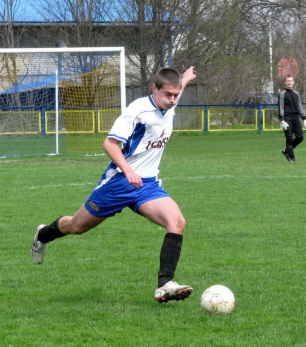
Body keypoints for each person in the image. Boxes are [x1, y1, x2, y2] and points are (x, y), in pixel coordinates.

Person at [32, 66, 197, 304]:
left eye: (176, 94)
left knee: (177, 222)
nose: (172, 100)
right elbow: (109, 144)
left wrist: (186, 79)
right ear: (154, 89)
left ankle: (165, 285)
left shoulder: (168, 104)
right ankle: (43, 235)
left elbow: (175, 92)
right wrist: (128, 171)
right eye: (168, 94)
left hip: (147, 185)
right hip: (119, 182)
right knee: (77, 226)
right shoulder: (137, 111)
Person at [278, 76, 306, 162]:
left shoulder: (296, 94)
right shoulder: (282, 93)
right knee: (289, 137)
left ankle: (286, 151)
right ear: (285, 82)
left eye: (290, 81)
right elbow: (281, 107)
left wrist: (304, 118)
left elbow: (299, 106)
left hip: (296, 117)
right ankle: (292, 157)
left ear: (293, 82)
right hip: (287, 118)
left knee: (300, 137)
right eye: (287, 81)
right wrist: (282, 120)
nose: (289, 82)